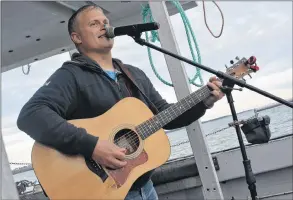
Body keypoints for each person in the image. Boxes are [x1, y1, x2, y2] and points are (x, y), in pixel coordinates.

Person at [17, 4, 224, 200]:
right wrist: (93, 146)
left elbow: (164, 116)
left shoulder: (134, 74)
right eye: (94, 23)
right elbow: (31, 115)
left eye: (105, 21)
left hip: (145, 188)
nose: (104, 26)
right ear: (76, 37)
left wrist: (203, 102)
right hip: (106, 192)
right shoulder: (71, 76)